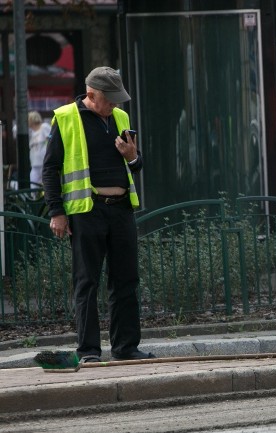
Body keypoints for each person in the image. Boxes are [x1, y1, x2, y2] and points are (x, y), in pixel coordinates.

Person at [42, 66, 155, 363]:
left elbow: (136, 165)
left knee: (127, 280)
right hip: (86, 211)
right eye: (111, 99)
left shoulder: (120, 118)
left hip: (121, 210)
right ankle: (89, 351)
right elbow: (50, 169)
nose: (116, 105)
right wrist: (57, 211)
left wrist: (133, 157)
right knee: (86, 282)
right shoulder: (65, 118)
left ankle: (126, 347)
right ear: (92, 94)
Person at [28, 111, 51, 186]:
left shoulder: (44, 127)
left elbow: (51, 138)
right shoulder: (31, 132)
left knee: (46, 184)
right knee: (33, 184)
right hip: (34, 164)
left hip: (44, 162)